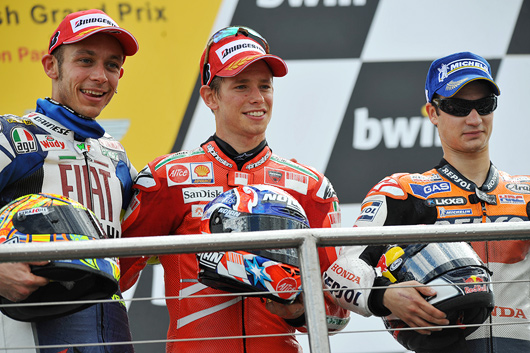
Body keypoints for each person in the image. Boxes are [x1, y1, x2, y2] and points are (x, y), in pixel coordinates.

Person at [119, 26, 349, 352]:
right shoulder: (167, 178)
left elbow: (337, 315)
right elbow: (115, 276)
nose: (258, 98)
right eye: (242, 86)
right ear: (210, 96)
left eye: (265, 86)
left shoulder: (310, 188)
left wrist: (297, 308)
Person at [323, 51, 530, 352]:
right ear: (433, 113)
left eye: (484, 105)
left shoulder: (525, 192)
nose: (474, 118)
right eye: (458, 106)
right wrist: (383, 295)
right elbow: (339, 273)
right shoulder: (405, 191)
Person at [0, 9, 139, 353]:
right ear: (51, 66)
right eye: (85, 60)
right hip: (24, 331)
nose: (100, 76)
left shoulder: (118, 158)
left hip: (111, 330)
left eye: (111, 65)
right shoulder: (12, 136)